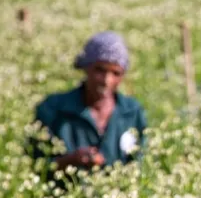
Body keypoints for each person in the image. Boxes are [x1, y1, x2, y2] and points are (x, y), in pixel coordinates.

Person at [32, 31, 147, 174]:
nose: (106, 80)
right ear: (86, 67)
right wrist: (71, 160)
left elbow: (140, 164)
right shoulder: (53, 109)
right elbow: (35, 166)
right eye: (100, 70)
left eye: (115, 73)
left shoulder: (132, 112)